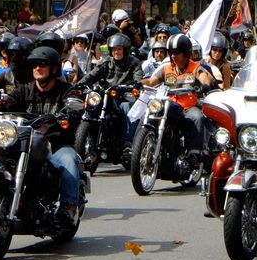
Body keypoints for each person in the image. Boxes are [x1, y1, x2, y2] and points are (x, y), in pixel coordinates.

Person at [0, 46, 83, 230]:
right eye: (35, 65)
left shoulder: (65, 90)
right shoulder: (25, 90)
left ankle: (68, 207)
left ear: (54, 69)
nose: (37, 68)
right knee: (1, 154)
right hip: (25, 142)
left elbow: (75, 104)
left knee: (69, 161)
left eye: (43, 65)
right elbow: (8, 101)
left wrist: (70, 112)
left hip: (55, 144)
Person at [140, 34, 214, 164]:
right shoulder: (166, 68)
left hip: (188, 108)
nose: (173, 56)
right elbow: (152, 81)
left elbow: (204, 77)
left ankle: (195, 152)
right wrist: (139, 83)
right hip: (170, 105)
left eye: (177, 53)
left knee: (198, 117)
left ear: (185, 53)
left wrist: (205, 85)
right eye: (171, 53)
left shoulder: (195, 67)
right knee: (152, 114)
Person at [76, 33, 143, 142]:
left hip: (124, 95)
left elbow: (138, 76)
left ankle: (127, 141)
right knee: (93, 103)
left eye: (119, 49)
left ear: (125, 50)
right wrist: (78, 85)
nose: (116, 52)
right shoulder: (106, 62)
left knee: (126, 107)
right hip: (106, 94)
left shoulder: (133, 62)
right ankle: (84, 134)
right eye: (114, 49)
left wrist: (136, 83)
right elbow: (92, 75)